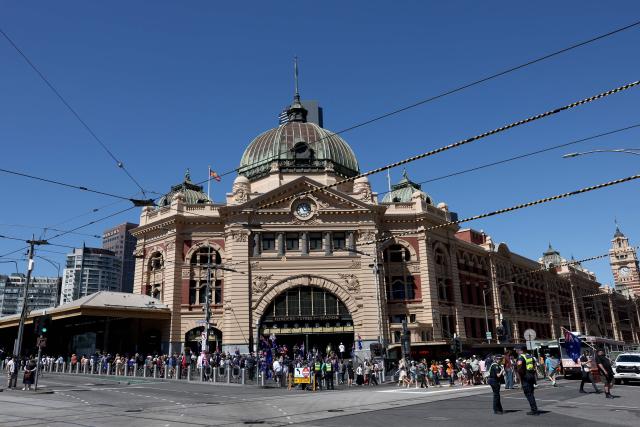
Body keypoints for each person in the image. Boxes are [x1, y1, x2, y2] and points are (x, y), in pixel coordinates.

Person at [516, 346, 539, 415]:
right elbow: (535, 365)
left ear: (521, 351)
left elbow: (519, 367)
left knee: (529, 394)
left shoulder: (521, 357)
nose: (517, 351)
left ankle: (534, 410)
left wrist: (519, 376)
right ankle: (534, 409)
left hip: (525, 377)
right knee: (531, 393)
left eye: (518, 350)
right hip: (531, 376)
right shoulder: (530, 356)